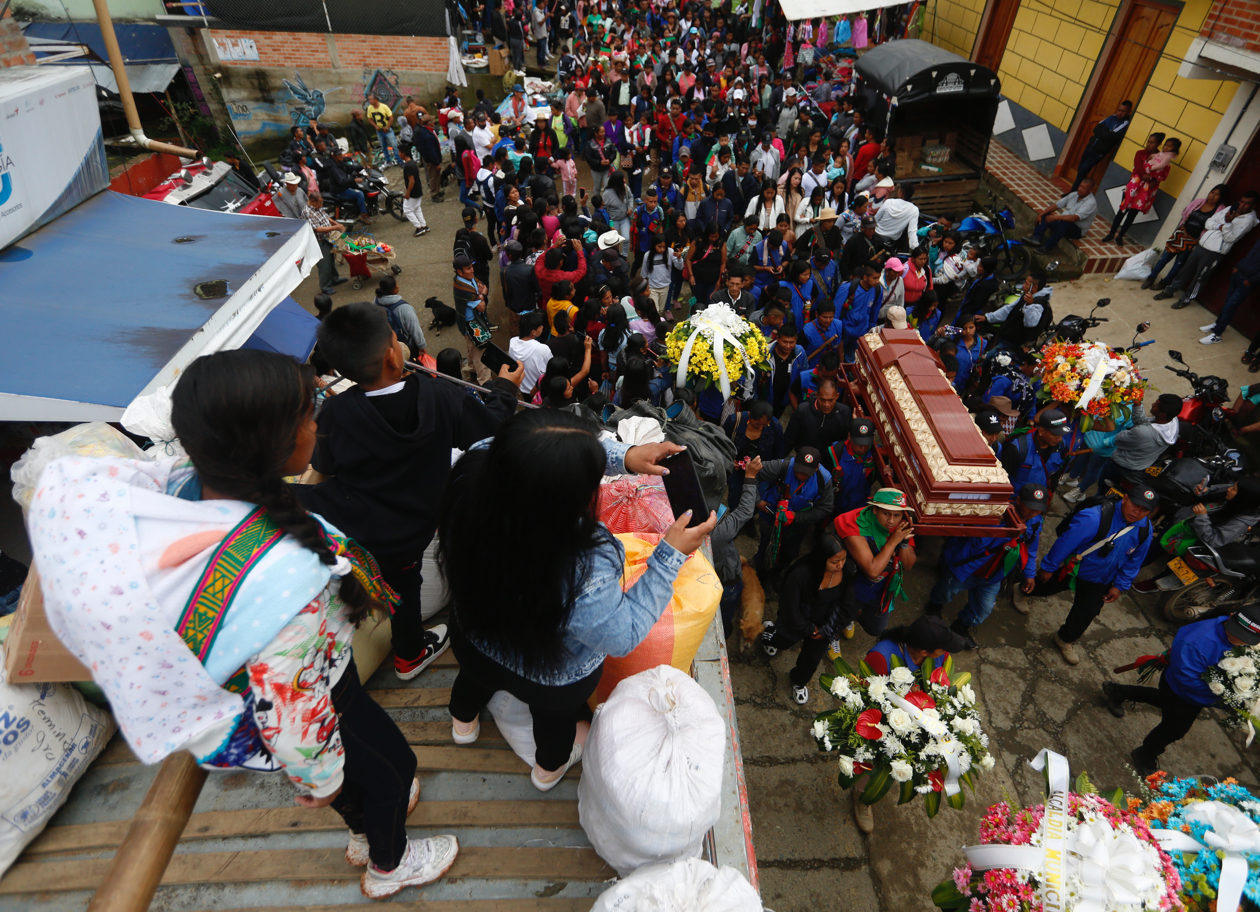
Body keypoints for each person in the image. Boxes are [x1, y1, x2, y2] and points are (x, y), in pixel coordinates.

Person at [31, 349, 460, 899]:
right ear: (278, 446)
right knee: (391, 769)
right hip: (315, 695)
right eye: (309, 414)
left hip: (262, 689)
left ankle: (361, 828)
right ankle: (389, 862)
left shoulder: (180, 485)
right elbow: (294, 704)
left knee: (361, 780)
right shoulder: (286, 584)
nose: (317, 422)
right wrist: (319, 776)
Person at [440, 409, 717, 789]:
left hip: (475, 639)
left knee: (472, 681)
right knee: (555, 724)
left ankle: (463, 723)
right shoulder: (585, 560)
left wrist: (626, 456)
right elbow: (623, 635)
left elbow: (521, 450)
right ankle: (547, 769)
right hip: (550, 676)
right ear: (563, 499)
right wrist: (668, 555)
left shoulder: (470, 477)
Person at [300, 302, 520, 675]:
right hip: (412, 531)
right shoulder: (438, 396)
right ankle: (409, 655)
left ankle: (390, 640)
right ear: (391, 355)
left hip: (354, 526)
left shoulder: (335, 415)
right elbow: (492, 426)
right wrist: (505, 387)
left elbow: (323, 468)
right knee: (405, 587)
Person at [1106, 605, 1260, 776]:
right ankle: (1145, 754)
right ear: (1230, 617)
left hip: (1190, 692)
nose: (1239, 640)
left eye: (1245, 639)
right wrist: (1225, 698)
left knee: (1163, 701)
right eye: (1236, 633)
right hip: (1183, 691)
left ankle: (1117, 691)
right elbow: (1187, 679)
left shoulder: (1235, 638)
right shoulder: (1197, 641)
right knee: (1174, 729)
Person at [851, 615, 965, 834]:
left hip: (920, 717)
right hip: (884, 720)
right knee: (872, 760)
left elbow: (941, 678)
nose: (945, 652)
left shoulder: (938, 654)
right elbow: (866, 694)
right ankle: (862, 795)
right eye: (942, 648)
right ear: (924, 652)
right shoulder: (882, 657)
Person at [1020, 485, 1157, 665]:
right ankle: (1021, 591)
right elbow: (1065, 544)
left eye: (1144, 510)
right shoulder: (1093, 517)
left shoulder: (1144, 530)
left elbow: (1134, 561)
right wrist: (1048, 568)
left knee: (1085, 613)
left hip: (1101, 579)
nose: (1137, 512)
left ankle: (1064, 639)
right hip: (1074, 568)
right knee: (1044, 586)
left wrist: (1119, 586)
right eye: (1134, 505)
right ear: (1124, 498)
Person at [926, 483, 1048, 649]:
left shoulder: (1034, 523)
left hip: (994, 574)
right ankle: (934, 605)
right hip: (968, 567)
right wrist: (1007, 532)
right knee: (946, 591)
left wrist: (1029, 574)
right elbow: (976, 542)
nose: (1033, 512)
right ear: (1018, 500)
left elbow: (1031, 550)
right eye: (1030, 507)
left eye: (1038, 508)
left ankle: (961, 626)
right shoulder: (994, 512)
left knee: (984, 609)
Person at [759, 535, 855, 704]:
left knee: (811, 660)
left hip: (825, 625)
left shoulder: (846, 571)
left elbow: (846, 605)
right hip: (798, 622)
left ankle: (798, 681)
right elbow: (790, 609)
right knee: (780, 640)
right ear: (821, 558)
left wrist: (825, 630)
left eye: (843, 559)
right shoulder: (800, 576)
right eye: (835, 561)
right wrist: (808, 629)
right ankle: (769, 632)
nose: (840, 565)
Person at [833, 488, 917, 638]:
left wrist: (903, 543)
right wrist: (892, 543)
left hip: (882, 588)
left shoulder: (902, 525)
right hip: (853, 585)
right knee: (837, 620)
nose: (891, 521)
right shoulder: (855, 523)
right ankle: (834, 634)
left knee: (875, 628)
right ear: (874, 510)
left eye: (896, 515)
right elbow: (872, 570)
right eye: (886, 514)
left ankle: (851, 618)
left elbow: (908, 565)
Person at [1157, 191, 1260, 310]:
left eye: (1247, 203)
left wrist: (1227, 223)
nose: (1242, 205)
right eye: (1241, 201)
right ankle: (1170, 290)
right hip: (1202, 245)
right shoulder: (1230, 209)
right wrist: (1221, 226)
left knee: (1200, 277)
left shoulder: (1248, 220)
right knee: (1185, 270)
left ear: (1253, 206)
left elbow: (1230, 238)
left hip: (1214, 253)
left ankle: (1186, 298)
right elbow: (1208, 222)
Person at [754, 447, 834, 575]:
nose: (801, 476)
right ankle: (761, 574)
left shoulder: (824, 480)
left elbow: (825, 508)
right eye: (799, 471)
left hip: (796, 528)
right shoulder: (781, 466)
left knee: (789, 553)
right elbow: (752, 473)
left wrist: (797, 517)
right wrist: (757, 501)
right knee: (765, 549)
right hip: (770, 520)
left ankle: (777, 573)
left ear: (817, 468)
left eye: (807, 473)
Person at [1097, 393, 1184, 493]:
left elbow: (1119, 439)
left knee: (1104, 489)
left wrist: (1126, 430)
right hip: (1140, 466)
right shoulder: (1172, 421)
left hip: (1120, 466)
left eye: (1155, 405)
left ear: (1162, 414)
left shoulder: (1144, 433)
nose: (1152, 404)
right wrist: (1137, 405)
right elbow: (1142, 422)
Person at [1102, 136, 1179, 245]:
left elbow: (1162, 174)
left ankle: (1120, 236)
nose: (1148, 144)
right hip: (1134, 187)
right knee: (1122, 210)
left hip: (1145, 191)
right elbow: (1138, 169)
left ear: (1158, 144)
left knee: (1132, 215)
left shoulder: (1163, 158)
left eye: (1152, 143)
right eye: (1148, 142)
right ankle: (1111, 234)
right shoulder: (1142, 153)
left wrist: (1152, 177)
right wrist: (1149, 176)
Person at [1200, 233, 1260, 345]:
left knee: (1230, 307)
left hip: (1247, 281)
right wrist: (1237, 267)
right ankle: (1218, 324)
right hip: (1239, 273)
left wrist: (1251, 281)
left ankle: (1217, 335)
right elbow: (1250, 254)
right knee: (1227, 302)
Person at [1000, 409, 1069, 493]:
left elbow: (1056, 473)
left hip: (1040, 498)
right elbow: (1001, 479)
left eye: (1062, 434)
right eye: (1055, 434)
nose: (1059, 439)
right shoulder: (1016, 449)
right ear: (1041, 431)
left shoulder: (1061, 446)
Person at [785, 376, 852, 462]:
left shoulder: (845, 413)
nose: (826, 404)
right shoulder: (802, 411)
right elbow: (789, 439)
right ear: (816, 395)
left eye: (830, 400)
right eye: (822, 400)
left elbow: (847, 442)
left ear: (837, 396)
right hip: (804, 460)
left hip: (830, 462)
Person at [1070, 100, 1132, 192]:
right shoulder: (1112, 117)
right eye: (1119, 110)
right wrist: (1105, 132)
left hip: (1098, 152)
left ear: (1128, 112)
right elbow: (1096, 128)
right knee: (1080, 169)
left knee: (1083, 171)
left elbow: (1110, 136)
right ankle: (1077, 192)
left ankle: (1073, 192)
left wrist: (1103, 132)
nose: (1120, 113)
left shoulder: (1125, 123)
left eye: (1123, 111)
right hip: (1090, 146)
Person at [453, 252, 494, 384]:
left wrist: (480, 295)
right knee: (481, 356)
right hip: (472, 325)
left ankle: (472, 370)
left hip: (469, 324)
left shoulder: (468, 279)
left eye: (472, 267)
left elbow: (482, 286)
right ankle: (485, 383)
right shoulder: (463, 288)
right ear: (459, 272)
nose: (472, 270)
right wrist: (482, 295)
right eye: (468, 268)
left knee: (471, 349)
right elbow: (482, 306)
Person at [1027, 179, 1097, 252]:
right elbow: (1057, 205)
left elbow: (1074, 218)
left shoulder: (1090, 203)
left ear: (1090, 190)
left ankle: (1047, 248)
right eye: (1080, 186)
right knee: (1046, 215)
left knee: (1064, 224)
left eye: (1083, 188)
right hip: (1063, 222)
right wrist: (1041, 214)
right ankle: (1036, 238)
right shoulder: (1074, 194)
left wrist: (1056, 217)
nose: (1079, 189)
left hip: (1077, 230)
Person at [836, 265, 884, 362]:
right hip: (844, 332)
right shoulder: (848, 288)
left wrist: (868, 332)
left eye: (878, 277)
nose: (877, 281)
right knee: (837, 357)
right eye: (874, 278)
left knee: (853, 360)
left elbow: (874, 313)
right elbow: (836, 312)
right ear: (865, 277)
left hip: (861, 334)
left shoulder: (878, 290)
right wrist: (837, 332)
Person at [373, 276, 427, 359]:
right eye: (396, 284)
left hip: (385, 345)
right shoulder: (405, 308)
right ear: (393, 289)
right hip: (405, 347)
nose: (398, 286)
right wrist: (422, 346)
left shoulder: (375, 302)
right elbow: (415, 329)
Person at [302, 189, 343, 296]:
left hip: (327, 237)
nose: (322, 204)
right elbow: (318, 229)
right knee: (324, 264)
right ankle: (325, 286)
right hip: (319, 241)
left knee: (331, 259)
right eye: (320, 202)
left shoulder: (317, 207)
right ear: (312, 201)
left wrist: (335, 223)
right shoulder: (307, 212)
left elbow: (325, 217)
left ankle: (335, 278)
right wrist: (335, 227)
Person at [509, 311, 556, 397]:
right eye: (540, 326)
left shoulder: (512, 342)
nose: (542, 327)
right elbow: (552, 369)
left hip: (522, 388)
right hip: (538, 391)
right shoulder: (542, 349)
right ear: (533, 332)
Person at [873, 183, 919, 253]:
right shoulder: (914, 210)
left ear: (901, 194)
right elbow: (912, 231)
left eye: (898, 190)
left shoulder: (888, 202)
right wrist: (915, 248)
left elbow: (875, 219)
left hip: (876, 235)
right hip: (891, 242)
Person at [399, 147, 430, 237]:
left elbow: (411, 181)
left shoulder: (407, 166)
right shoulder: (413, 163)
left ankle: (419, 227)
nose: (399, 154)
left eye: (399, 152)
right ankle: (423, 225)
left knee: (407, 210)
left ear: (403, 153)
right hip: (418, 190)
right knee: (417, 208)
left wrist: (408, 192)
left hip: (413, 192)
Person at [366, 94, 401, 167]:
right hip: (379, 130)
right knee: (383, 146)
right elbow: (369, 118)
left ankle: (399, 160)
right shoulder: (370, 108)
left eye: (371, 99)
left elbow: (391, 117)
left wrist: (387, 127)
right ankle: (388, 161)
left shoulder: (384, 107)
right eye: (369, 100)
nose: (370, 101)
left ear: (376, 99)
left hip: (387, 129)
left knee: (394, 145)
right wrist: (375, 126)